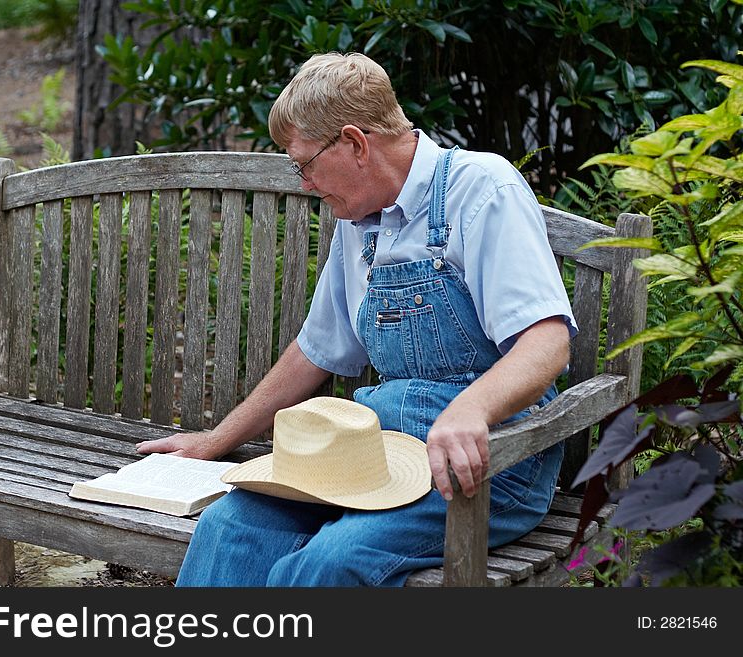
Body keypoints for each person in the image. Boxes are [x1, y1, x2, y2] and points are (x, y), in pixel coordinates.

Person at [136, 52, 577, 586]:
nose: (303, 183)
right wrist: (214, 440)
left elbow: (547, 343)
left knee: (326, 566)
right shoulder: (359, 217)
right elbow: (316, 350)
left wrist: (472, 409)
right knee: (231, 528)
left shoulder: (481, 189)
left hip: (489, 464)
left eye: (303, 164)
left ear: (354, 143)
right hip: (383, 454)